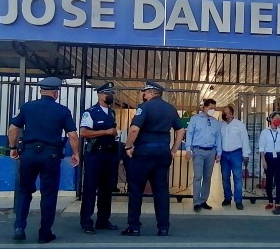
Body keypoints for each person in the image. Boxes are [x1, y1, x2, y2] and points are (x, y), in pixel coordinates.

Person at [8, 77, 80, 244]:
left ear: (41, 91)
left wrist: (13, 148)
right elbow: (73, 135)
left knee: (24, 191)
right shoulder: (62, 111)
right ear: (56, 93)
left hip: (29, 154)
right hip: (51, 155)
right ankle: (44, 233)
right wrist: (75, 153)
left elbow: (13, 128)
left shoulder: (27, 107)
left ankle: (19, 227)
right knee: (48, 193)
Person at [121, 81, 185, 236]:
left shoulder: (144, 108)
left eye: (145, 92)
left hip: (143, 153)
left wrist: (128, 146)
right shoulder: (171, 109)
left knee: (136, 190)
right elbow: (181, 130)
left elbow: (134, 129)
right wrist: (174, 150)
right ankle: (163, 227)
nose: (143, 94)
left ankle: (134, 226)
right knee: (161, 191)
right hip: (163, 154)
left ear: (150, 92)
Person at [79, 82, 119, 234]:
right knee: (90, 188)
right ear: (100, 95)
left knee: (106, 189)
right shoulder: (91, 112)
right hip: (95, 154)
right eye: (108, 94)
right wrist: (106, 132)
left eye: (111, 94)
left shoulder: (112, 113)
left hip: (109, 155)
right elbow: (84, 133)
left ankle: (103, 220)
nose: (110, 96)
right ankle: (86, 222)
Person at [185, 99, 222, 212]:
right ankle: (196, 202)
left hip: (211, 152)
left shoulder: (215, 122)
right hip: (198, 151)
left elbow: (218, 138)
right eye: (211, 108)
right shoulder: (195, 119)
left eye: (214, 108)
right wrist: (188, 149)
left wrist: (219, 152)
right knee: (197, 177)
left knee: (207, 177)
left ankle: (203, 200)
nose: (212, 110)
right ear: (204, 107)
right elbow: (189, 134)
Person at [258, 111, 280, 210]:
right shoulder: (265, 132)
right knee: (269, 180)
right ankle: (270, 202)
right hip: (268, 157)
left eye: (279, 119)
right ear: (271, 119)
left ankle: (277, 202)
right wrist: (263, 161)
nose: (278, 120)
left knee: (279, 180)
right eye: (276, 118)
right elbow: (261, 148)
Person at [219, 105, 250, 210]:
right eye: (223, 112)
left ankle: (238, 200)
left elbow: (244, 139)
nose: (224, 114)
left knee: (237, 178)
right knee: (225, 177)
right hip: (224, 154)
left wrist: (246, 154)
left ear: (231, 114)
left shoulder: (239, 125)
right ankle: (227, 198)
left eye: (226, 112)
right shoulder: (221, 125)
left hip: (236, 153)